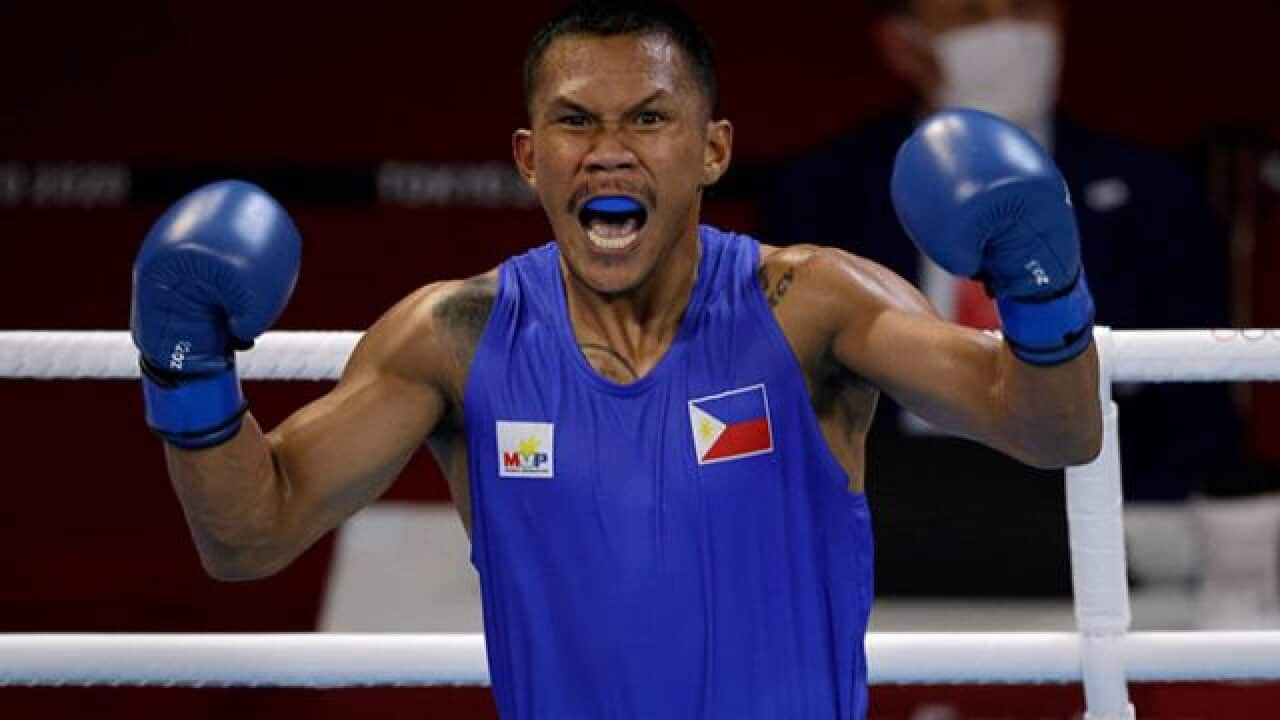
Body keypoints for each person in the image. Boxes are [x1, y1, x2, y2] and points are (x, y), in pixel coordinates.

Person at [130, 2, 1101, 717]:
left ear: (711, 148)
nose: (607, 151)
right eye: (573, 120)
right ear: (526, 155)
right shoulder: (453, 337)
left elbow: (1048, 429)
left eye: (646, 117)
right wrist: (187, 375)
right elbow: (248, 538)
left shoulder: (808, 306)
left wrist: (1042, 293)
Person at [762, 0, 1249, 614]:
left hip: (1108, 527)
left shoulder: (1157, 194)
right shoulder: (820, 192)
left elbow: (1201, 416)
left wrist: (1128, 521)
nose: (1010, 32)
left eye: (1026, 7)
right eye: (972, 14)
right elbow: (788, 397)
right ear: (903, 43)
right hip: (880, 534)